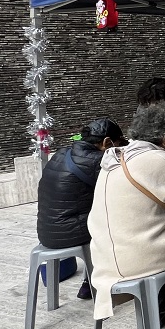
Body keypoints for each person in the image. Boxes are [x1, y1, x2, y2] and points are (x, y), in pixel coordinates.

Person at [87, 105, 165, 323]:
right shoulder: (160, 160)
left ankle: (163, 307)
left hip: (104, 259)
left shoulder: (114, 158)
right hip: (139, 258)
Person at [36, 118, 128, 299]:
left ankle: (91, 281)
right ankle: (95, 284)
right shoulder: (98, 160)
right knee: (119, 225)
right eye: (117, 145)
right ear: (107, 142)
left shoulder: (61, 153)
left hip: (46, 232)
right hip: (71, 233)